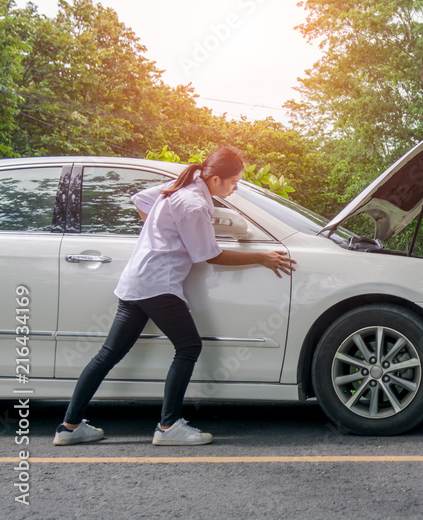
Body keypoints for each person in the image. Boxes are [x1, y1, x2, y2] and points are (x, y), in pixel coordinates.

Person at [53, 146, 296, 446]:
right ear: (216, 178)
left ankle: (68, 426)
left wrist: (161, 234)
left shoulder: (184, 183)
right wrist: (261, 258)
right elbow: (210, 255)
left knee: (109, 354)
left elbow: (141, 200)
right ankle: (169, 427)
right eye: (234, 182)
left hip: (136, 280)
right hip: (157, 284)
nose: (235, 189)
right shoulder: (193, 203)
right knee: (189, 346)